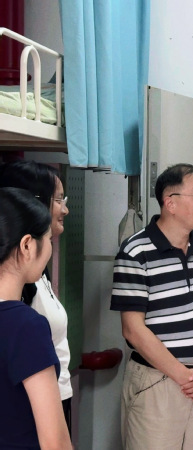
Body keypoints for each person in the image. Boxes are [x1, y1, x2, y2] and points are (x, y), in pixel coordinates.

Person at [111, 163, 193, 450]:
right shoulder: (135, 251)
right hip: (159, 382)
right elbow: (132, 329)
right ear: (170, 202)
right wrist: (184, 376)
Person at [0, 160, 74, 432]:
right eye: (58, 200)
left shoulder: (35, 273)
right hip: (35, 405)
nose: (65, 209)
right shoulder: (20, 308)